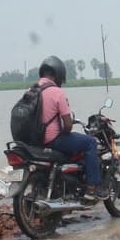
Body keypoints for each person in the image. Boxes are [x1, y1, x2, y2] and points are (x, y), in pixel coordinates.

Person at [37, 55, 102, 201]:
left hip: (36, 141)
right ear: (57, 74)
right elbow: (67, 125)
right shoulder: (57, 92)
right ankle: (92, 189)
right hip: (53, 140)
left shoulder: (32, 90)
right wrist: (66, 129)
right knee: (90, 142)